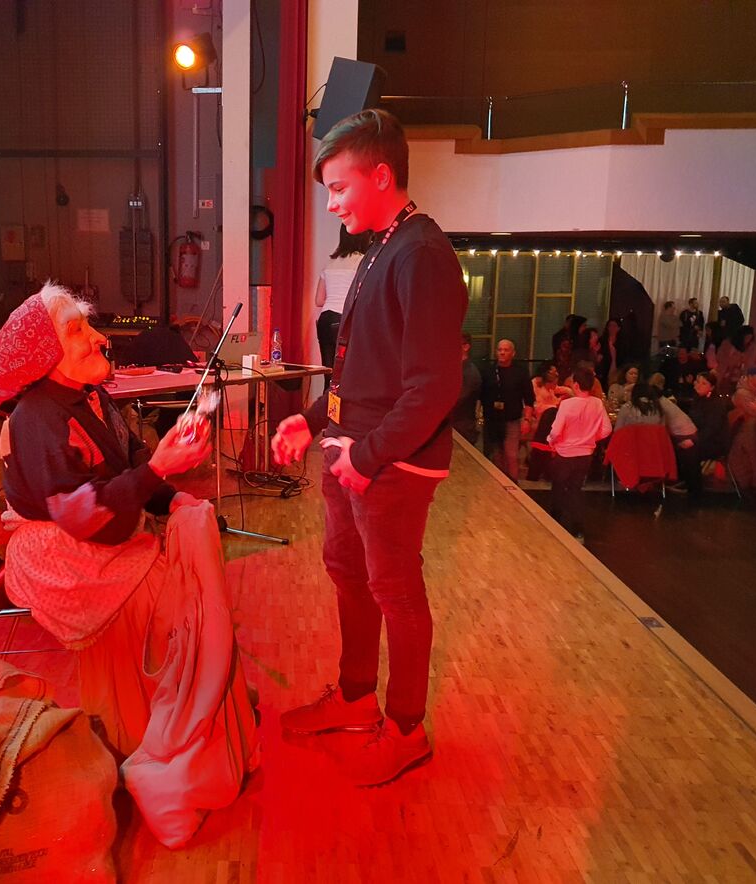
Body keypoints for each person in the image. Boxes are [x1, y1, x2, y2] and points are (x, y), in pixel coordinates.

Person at [0, 283, 258, 847]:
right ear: (45, 355)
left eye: (87, 324)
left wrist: (170, 491)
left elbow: (130, 464)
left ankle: (174, 727)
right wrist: (158, 473)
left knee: (184, 597)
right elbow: (84, 516)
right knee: (174, 606)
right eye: (75, 330)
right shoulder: (37, 418)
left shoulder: (93, 397)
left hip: (94, 535)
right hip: (59, 554)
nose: (97, 337)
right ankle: (155, 740)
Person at [269, 109, 466, 786]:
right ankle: (356, 699)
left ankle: (406, 729)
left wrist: (366, 454)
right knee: (349, 574)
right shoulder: (385, 246)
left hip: (392, 464)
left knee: (395, 593)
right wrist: (313, 422)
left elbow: (434, 387)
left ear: (381, 176)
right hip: (356, 452)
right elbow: (360, 375)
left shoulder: (422, 254)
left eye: (339, 188)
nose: (331, 203)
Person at [547, 364, 612, 542]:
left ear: (575, 384)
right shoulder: (597, 403)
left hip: (565, 453)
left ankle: (554, 524)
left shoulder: (567, 404)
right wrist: (591, 437)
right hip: (585, 454)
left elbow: (556, 431)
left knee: (559, 488)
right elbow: (607, 429)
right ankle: (578, 531)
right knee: (575, 490)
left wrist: (551, 441)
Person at [314, 223, 370, 372]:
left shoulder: (330, 262)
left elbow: (319, 300)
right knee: (347, 372)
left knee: (329, 372)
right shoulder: (362, 261)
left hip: (325, 320)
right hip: (344, 320)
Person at [480, 339, 536, 481]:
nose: (502, 353)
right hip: (492, 420)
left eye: (506, 350)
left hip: (512, 419)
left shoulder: (520, 372)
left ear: (513, 353)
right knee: (496, 455)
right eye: (499, 350)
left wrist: (527, 420)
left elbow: (529, 399)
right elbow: (481, 394)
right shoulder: (489, 371)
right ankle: (498, 485)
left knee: (511, 455)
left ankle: (513, 485)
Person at [452, 333, 482, 444]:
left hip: (462, 428)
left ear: (466, 347)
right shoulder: (457, 369)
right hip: (455, 425)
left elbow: (457, 399)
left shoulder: (470, 372)